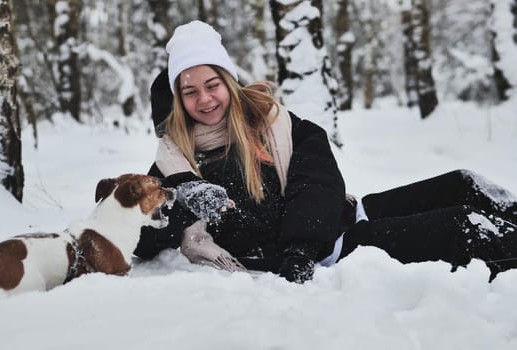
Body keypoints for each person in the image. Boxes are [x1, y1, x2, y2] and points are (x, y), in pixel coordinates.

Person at [133, 20, 517, 283]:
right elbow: (141, 239)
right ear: (178, 98)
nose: (204, 99)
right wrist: (182, 202)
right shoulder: (175, 163)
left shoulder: (271, 122)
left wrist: (302, 242)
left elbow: (315, 179)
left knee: (461, 184)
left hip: (332, 222)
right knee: (464, 227)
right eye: (190, 90)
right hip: (331, 249)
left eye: (212, 84)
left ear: (229, 83)